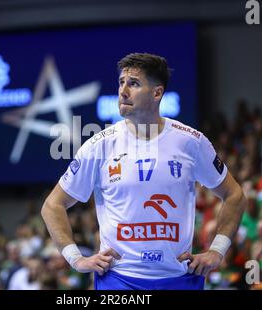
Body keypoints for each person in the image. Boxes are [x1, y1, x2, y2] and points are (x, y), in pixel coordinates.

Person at [41, 53, 247, 290]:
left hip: (179, 279)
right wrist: (75, 258)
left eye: (134, 83)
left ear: (157, 93)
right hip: (119, 280)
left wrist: (217, 251)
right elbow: (52, 205)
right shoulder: (100, 145)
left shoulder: (191, 141)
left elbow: (234, 195)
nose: (123, 91)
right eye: (121, 82)